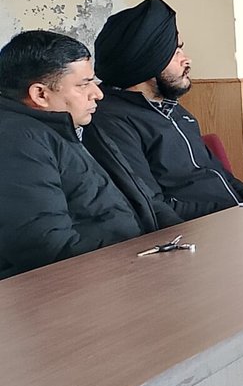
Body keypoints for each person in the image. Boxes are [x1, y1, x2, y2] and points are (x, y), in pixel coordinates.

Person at [0, 30, 176, 279]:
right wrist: (136, 265)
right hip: (95, 282)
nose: (98, 93)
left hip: (133, 263)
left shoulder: (70, 126)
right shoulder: (18, 141)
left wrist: (177, 237)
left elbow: (141, 197)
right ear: (40, 94)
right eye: (83, 85)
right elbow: (49, 250)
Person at [90, 0, 243, 219]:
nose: (186, 60)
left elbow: (223, 178)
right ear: (148, 59)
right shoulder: (111, 122)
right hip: (198, 231)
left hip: (231, 221)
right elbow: (153, 207)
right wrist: (234, 215)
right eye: (176, 51)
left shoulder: (173, 109)